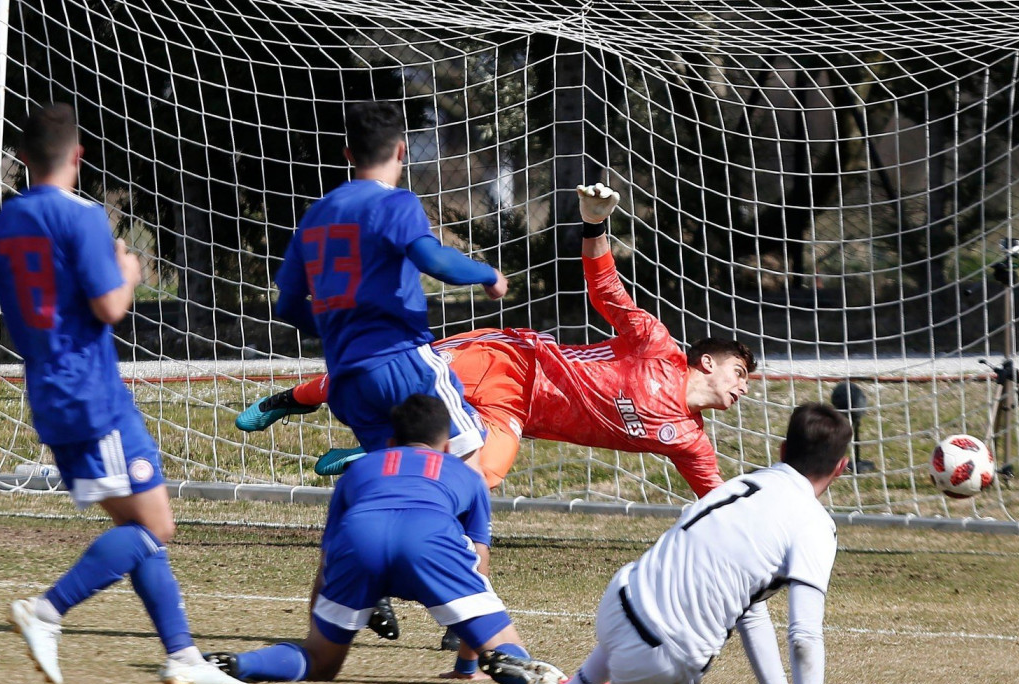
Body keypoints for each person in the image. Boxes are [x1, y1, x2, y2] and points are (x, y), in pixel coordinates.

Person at [0, 103, 254, 684]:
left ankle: (182, 656)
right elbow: (110, 307)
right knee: (156, 527)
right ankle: (47, 610)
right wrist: (129, 270)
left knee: (139, 531)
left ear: (22, 159)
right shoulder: (82, 218)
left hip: (49, 400)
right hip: (93, 398)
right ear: (78, 157)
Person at [408, 403, 880, 684]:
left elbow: (749, 608)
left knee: (640, 632)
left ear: (782, 450)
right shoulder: (814, 524)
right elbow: (803, 636)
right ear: (840, 467)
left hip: (620, 599)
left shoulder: (741, 485)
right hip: (661, 654)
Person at [243, 184, 752, 497]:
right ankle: (288, 399)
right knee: (388, 372)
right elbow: (606, 290)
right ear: (707, 361)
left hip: (513, 411)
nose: (744, 387)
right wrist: (595, 223)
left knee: (483, 476)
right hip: (510, 361)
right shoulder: (656, 346)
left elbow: (721, 499)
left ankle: (383, 459)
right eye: (740, 372)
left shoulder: (690, 441)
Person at [205, 395, 566, 684]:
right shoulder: (468, 476)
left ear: (390, 442)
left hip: (361, 538)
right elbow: (479, 562)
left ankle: (240, 663)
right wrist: (467, 665)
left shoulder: (360, 471)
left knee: (318, 661)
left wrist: (318, 629)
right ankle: (509, 659)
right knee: (507, 646)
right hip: (429, 541)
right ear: (446, 447)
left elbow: (327, 557)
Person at [271, 100, 508, 473]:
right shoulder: (396, 202)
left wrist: (340, 329)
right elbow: (433, 260)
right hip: (400, 362)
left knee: (400, 475)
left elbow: (287, 305)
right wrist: (488, 275)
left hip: (346, 379)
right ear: (401, 150)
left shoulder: (316, 214)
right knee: (465, 466)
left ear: (349, 154)